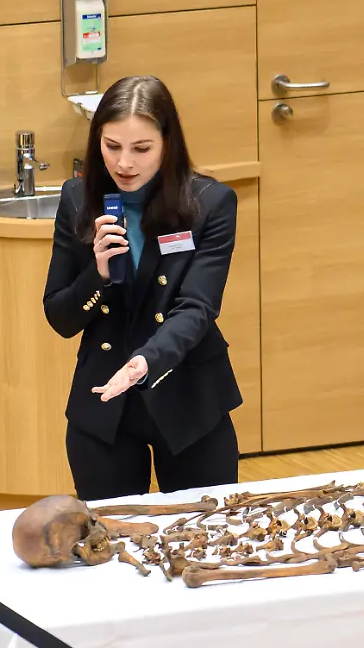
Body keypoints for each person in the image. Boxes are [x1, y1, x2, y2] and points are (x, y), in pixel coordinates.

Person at [43, 75, 243, 501]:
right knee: (109, 547)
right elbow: (60, 317)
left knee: (204, 540)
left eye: (141, 149)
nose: (124, 164)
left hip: (188, 396)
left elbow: (196, 307)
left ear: (167, 144)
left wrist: (143, 362)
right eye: (112, 146)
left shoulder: (210, 205)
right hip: (104, 404)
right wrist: (96, 275)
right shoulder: (78, 199)